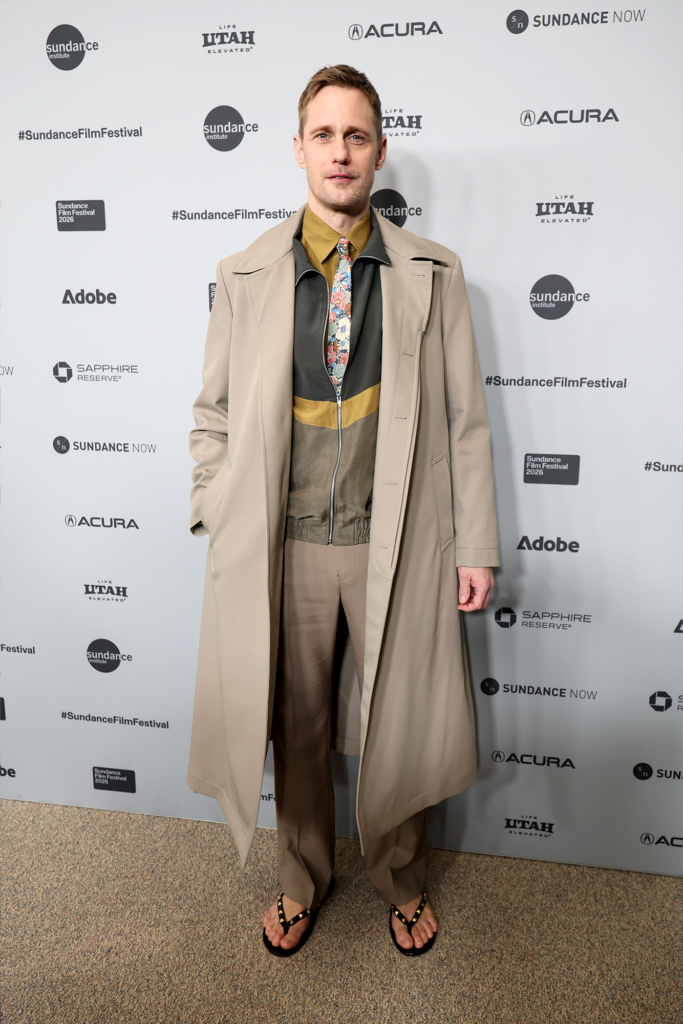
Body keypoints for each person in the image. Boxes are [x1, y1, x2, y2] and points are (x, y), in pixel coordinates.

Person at [188, 65, 499, 957]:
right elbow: (209, 411)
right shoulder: (243, 273)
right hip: (282, 548)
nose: (339, 152)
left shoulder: (434, 275)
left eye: (355, 136)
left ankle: (401, 880)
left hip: (394, 542)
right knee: (299, 727)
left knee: (399, 722)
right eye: (323, 135)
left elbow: (464, 421)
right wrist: (218, 505)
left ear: (378, 151)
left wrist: (472, 544)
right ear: (297, 150)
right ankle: (299, 881)